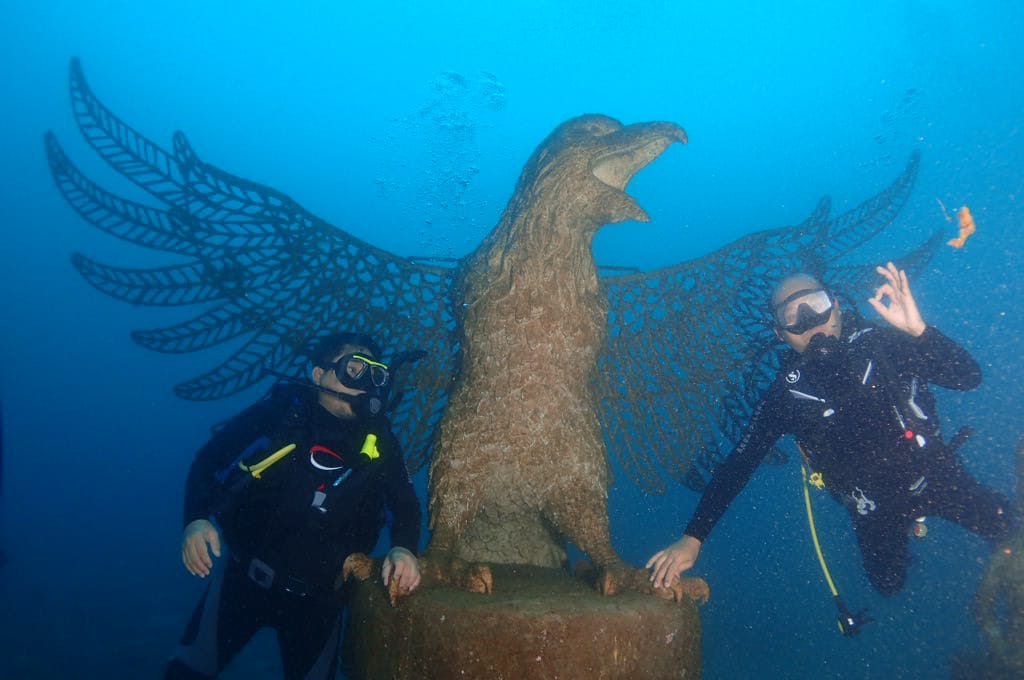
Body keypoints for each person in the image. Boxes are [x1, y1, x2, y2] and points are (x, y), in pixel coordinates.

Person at [647, 263, 1014, 597]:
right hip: (872, 506)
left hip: (935, 475)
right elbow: (739, 463)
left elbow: (969, 378)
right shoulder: (787, 394)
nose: (811, 322)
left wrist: (920, 332)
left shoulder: (885, 344)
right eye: (793, 316)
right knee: (888, 585)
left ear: (835, 304)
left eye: (816, 304)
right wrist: (692, 538)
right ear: (780, 333)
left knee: (1009, 527)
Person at [164, 332, 422, 680]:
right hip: (241, 582)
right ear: (319, 375)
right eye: (354, 370)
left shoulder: (380, 440)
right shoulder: (279, 413)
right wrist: (195, 520)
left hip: (320, 604)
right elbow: (208, 460)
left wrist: (404, 549)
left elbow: (405, 505)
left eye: (375, 375)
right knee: (185, 674)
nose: (365, 385)